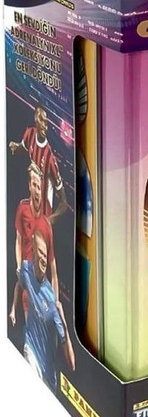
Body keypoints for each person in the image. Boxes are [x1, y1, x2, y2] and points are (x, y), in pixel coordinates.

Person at [18, 230, 75, 392]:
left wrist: (64, 325)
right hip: (31, 351)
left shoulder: (51, 300)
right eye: (40, 253)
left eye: (45, 254)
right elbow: (20, 284)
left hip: (49, 376)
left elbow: (72, 364)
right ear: (33, 251)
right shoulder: (26, 269)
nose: (43, 258)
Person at [9, 163, 59, 326]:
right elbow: (18, 240)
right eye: (34, 185)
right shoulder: (22, 209)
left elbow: (53, 270)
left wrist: (56, 303)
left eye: (39, 187)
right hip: (26, 278)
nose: (37, 190)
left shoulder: (46, 226)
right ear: (29, 186)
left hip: (41, 282)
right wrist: (19, 267)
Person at [9, 105, 68, 224]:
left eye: (47, 122)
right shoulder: (29, 134)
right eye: (42, 120)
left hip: (44, 216)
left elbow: (64, 204)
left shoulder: (50, 159)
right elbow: (22, 148)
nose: (45, 125)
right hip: (32, 211)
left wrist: (48, 221)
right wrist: (14, 147)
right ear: (36, 118)